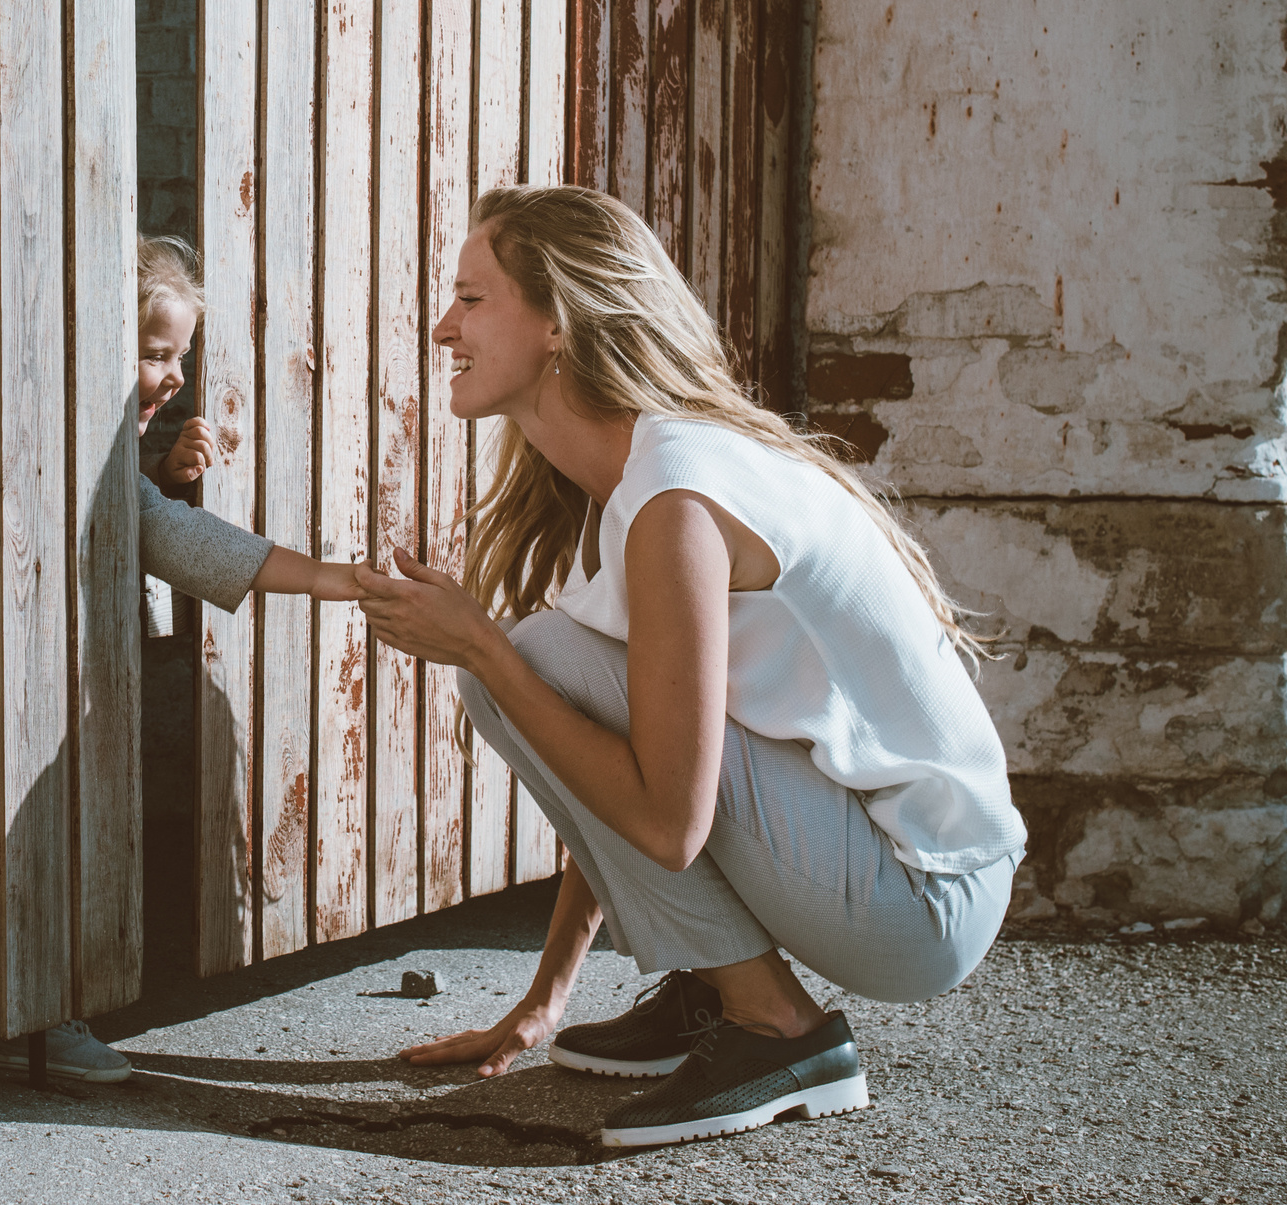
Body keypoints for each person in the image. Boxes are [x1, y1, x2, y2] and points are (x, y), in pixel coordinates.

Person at [357, 186, 1025, 1149]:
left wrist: (483, 647)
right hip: (881, 864)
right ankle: (718, 985)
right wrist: (545, 999)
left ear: (558, 322)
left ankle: (778, 1028)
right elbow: (627, 748)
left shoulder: (675, 495)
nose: (440, 325)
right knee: (530, 668)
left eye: (470, 297)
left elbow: (669, 823)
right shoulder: (638, 486)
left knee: (522, 662)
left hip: (921, 897)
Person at [0, 235, 361, 1083]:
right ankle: (36, 1014)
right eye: (154, 353)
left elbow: (152, 519)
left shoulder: (109, 450)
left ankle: (38, 1013)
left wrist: (156, 470)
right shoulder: (57, 437)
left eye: (179, 354)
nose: (175, 374)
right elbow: (168, 536)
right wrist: (339, 580)